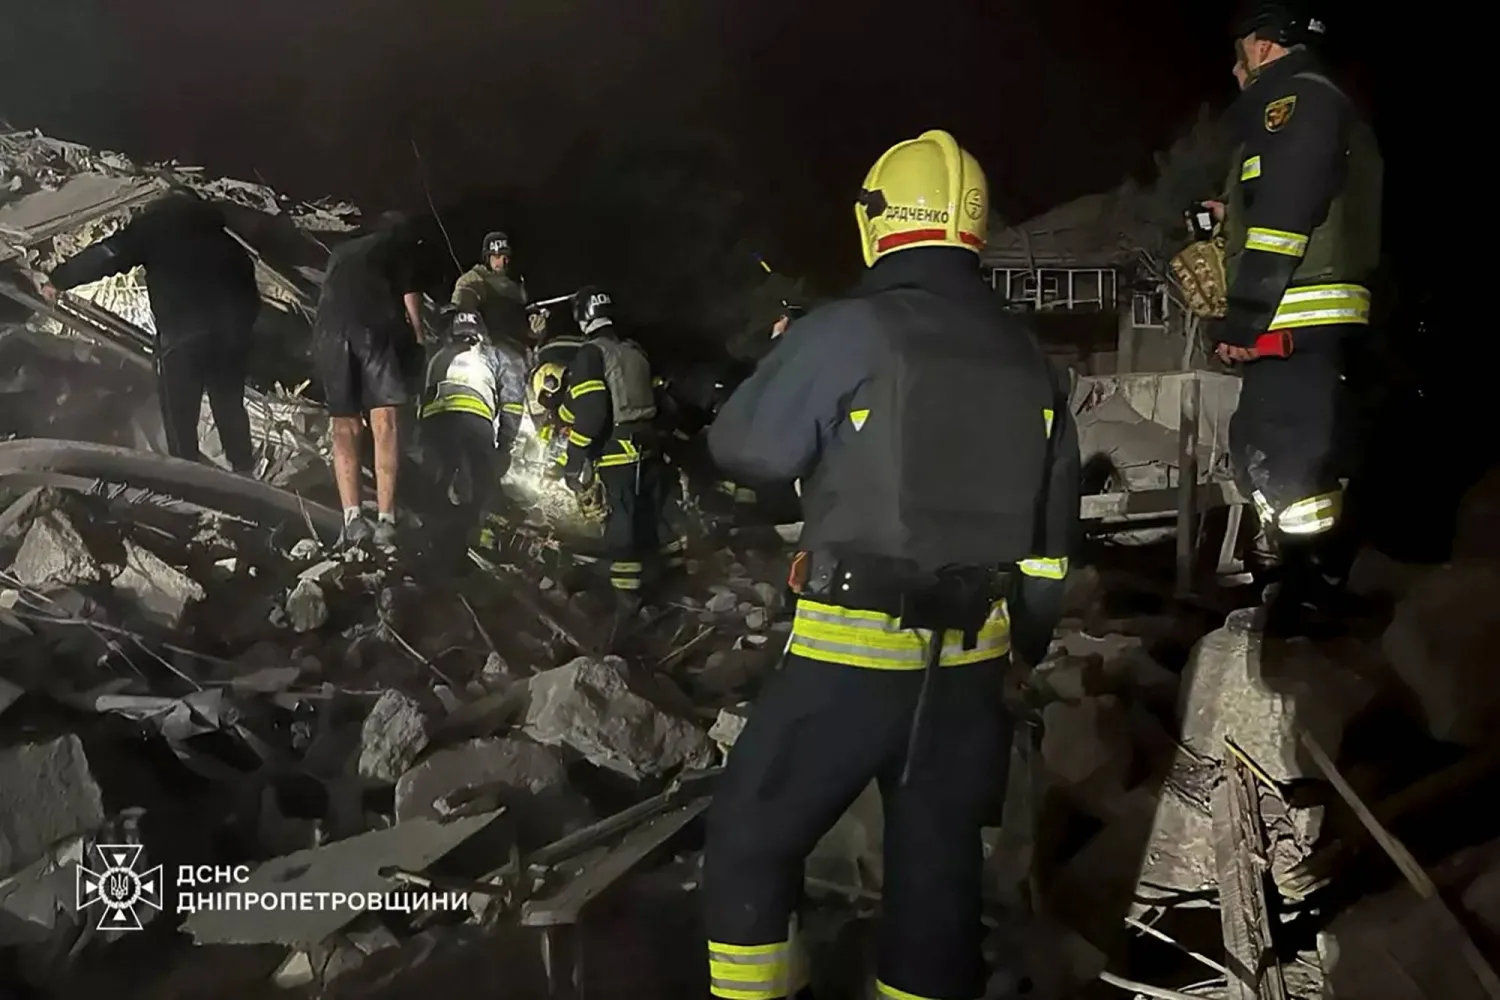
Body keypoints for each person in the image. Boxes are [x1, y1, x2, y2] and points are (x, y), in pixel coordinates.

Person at [700, 129, 1080, 1000]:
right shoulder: (1029, 357)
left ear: (878, 223)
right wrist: (1025, 637)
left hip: (851, 655)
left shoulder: (852, 330)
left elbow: (748, 448)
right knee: (938, 866)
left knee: (752, 839)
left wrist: (785, 363)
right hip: (971, 669)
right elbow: (1054, 547)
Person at [1211, 0, 1381, 632]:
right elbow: (1292, 199)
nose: (1235, 74)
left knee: (1278, 458)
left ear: (1261, 47)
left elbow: (1285, 218)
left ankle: (1305, 588)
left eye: (1238, 57)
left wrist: (1243, 319)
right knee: (1296, 456)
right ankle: (1308, 581)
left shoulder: (1294, 105)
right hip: (1308, 314)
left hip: (1293, 314)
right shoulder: (1322, 102)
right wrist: (1232, 217)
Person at [39, 190, 260, 473]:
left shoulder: (156, 228)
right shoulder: (227, 241)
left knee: (180, 418)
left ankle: (191, 488)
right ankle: (246, 477)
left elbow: (110, 254)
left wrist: (60, 278)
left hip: (181, 337)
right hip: (230, 338)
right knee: (230, 405)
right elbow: (251, 300)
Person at [554, 286, 683, 608]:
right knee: (657, 522)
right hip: (651, 451)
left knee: (621, 531)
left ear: (583, 317)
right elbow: (660, 403)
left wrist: (572, 462)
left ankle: (627, 604)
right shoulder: (634, 352)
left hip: (618, 457)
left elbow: (592, 414)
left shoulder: (590, 354)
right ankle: (677, 590)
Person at [312, 210, 425, 550]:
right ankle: (386, 521)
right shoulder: (396, 245)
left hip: (328, 334)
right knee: (385, 420)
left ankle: (352, 519)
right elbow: (409, 294)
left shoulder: (342, 251)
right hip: (374, 330)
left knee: (344, 425)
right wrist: (419, 337)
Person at [418, 307, 527, 540]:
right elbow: (512, 403)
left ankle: (429, 536)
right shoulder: (495, 355)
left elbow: (421, 393)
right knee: (482, 483)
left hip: (436, 422)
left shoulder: (437, 356)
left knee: (436, 480)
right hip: (476, 424)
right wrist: (505, 443)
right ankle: (475, 534)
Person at [451, 231, 540, 343]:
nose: (502, 262)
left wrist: (535, 324)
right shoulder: (474, 277)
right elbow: (461, 310)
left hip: (513, 349)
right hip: (484, 345)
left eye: (505, 257)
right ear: (487, 257)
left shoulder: (516, 287)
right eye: (497, 256)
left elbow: (525, 322)